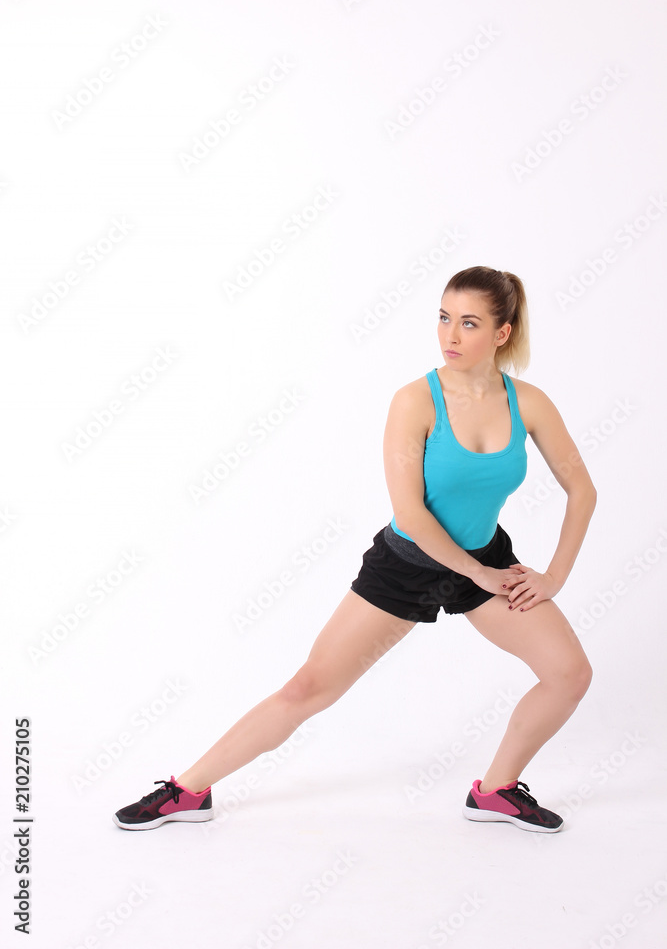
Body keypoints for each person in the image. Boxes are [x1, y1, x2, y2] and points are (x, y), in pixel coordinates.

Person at [113, 265, 596, 834]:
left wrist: (554, 577)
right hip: (409, 563)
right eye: (444, 318)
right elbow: (413, 514)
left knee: (569, 674)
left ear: (502, 333)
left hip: (485, 562)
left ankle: (496, 791)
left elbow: (581, 489)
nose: (450, 335)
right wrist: (482, 575)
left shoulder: (529, 403)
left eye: (469, 323)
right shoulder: (415, 400)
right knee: (308, 687)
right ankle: (186, 790)